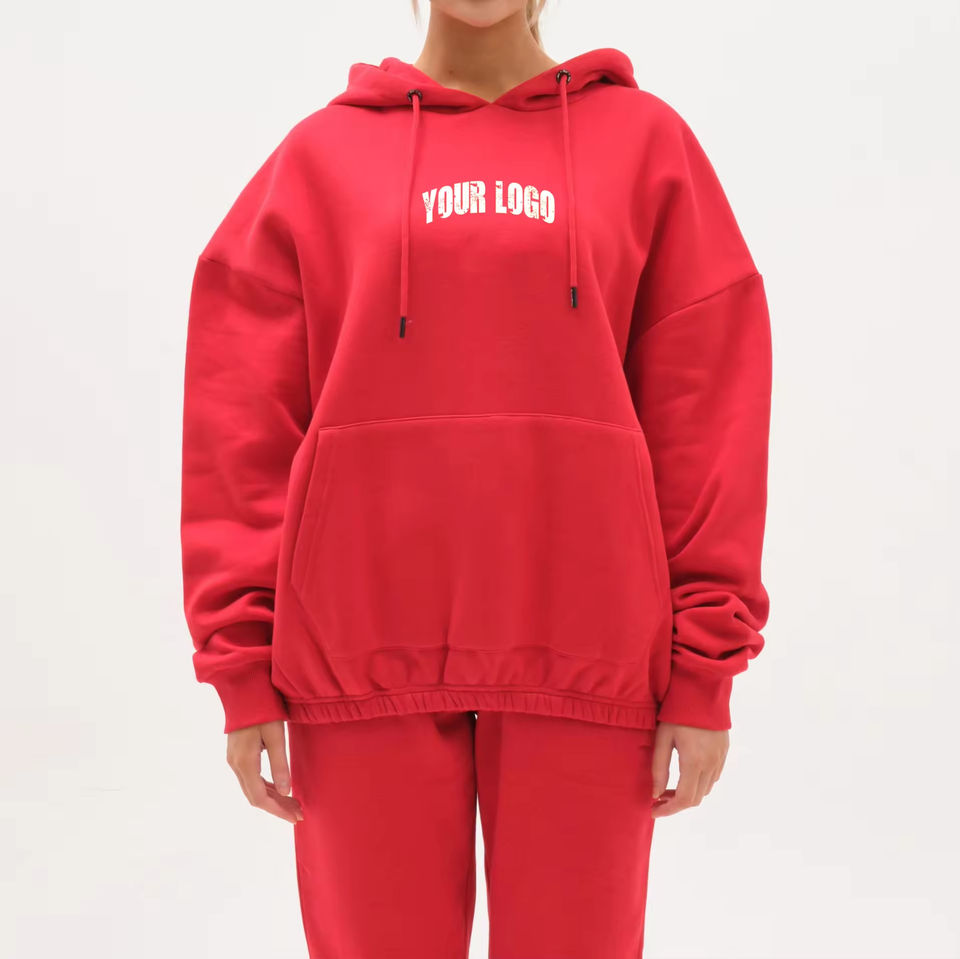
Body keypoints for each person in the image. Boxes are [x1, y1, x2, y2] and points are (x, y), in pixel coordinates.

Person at [179, 1, 772, 955]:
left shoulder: (647, 146)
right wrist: (241, 661)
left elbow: (705, 413)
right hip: (359, 649)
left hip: (587, 646)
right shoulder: (320, 158)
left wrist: (705, 667)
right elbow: (240, 419)